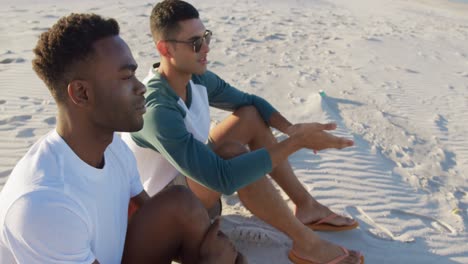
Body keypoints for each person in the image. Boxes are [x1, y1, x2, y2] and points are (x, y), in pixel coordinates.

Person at [124, 0, 365, 263]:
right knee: (232, 155)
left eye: (206, 37)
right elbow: (222, 179)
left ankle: (306, 206)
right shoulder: (157, 109)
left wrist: (291, 128)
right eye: (195, 43)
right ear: (165, 49)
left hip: (190, 178)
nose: (206, 48)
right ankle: (307, 244)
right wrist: (296, 142)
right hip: (163, 214)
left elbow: (250, 102)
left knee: (249, 116)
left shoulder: (196, 77)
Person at [0, 13, 244, 264]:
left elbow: (159, 221)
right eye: (127, 77)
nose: (141, 88)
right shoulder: (45, 205)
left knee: (182, 203)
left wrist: (207, 247)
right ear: (82, 93)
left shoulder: (113, 148)